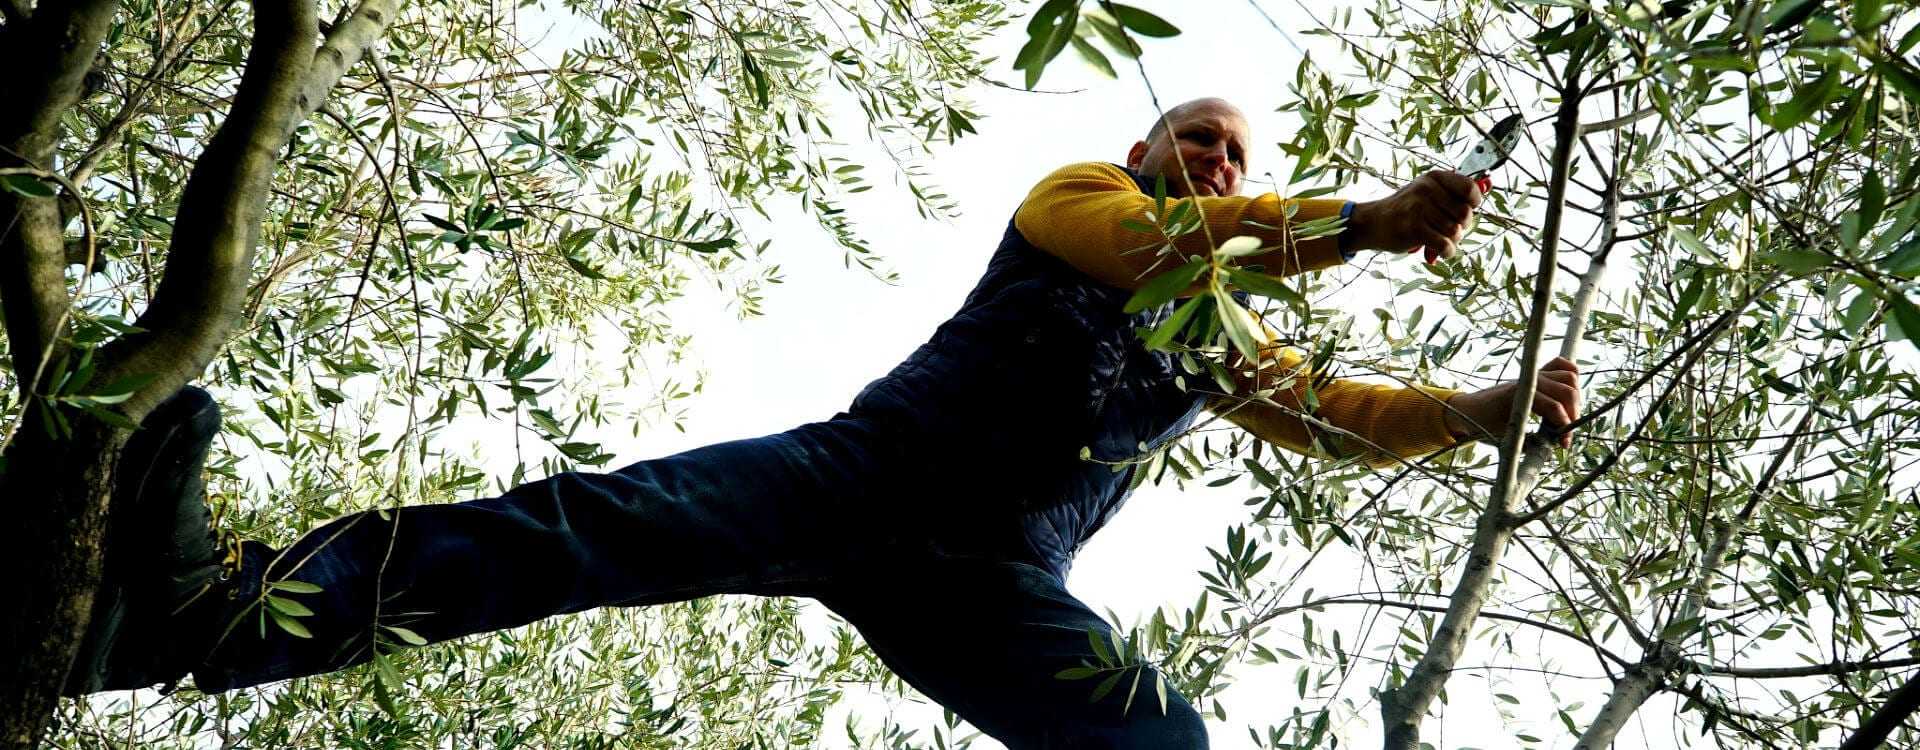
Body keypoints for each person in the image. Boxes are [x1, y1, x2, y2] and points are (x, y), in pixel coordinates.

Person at [68, 98, 1580, 748]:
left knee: (1153, 734)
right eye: (1201, 139)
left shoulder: (1230, 331)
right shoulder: (1086, 202)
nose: (1214, 160)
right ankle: (206, 615)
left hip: (990, 574)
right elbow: (1167, 249)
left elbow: (1340, 409)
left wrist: (1489, 408)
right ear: (1147, 148)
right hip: (853, 478)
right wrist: (1367, 221)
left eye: (1237, 153)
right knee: (571, 530)